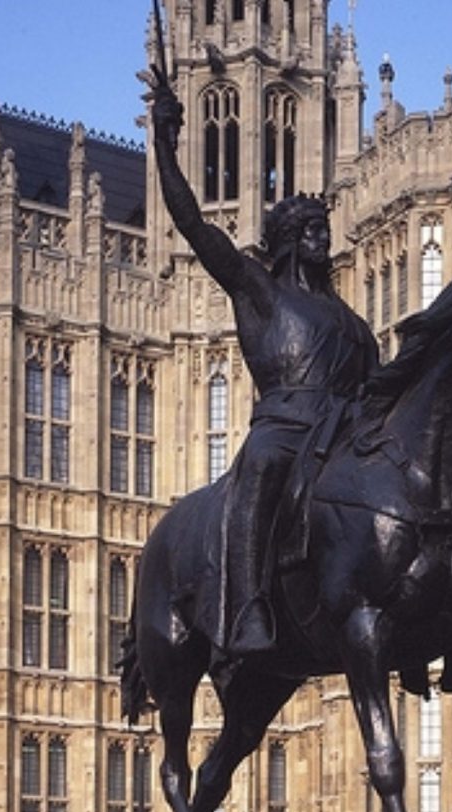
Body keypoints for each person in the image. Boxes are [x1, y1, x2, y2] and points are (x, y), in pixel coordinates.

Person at [151, 70, 378, 656]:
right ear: (287, 241)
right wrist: (164, 142)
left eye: (324, 228)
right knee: (260, 464)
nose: (322, 238)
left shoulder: (350, 321)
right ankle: (249, 605)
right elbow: (195, 226)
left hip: (340, 437)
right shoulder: (260, 291)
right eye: (310, 230)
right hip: (284, 428)